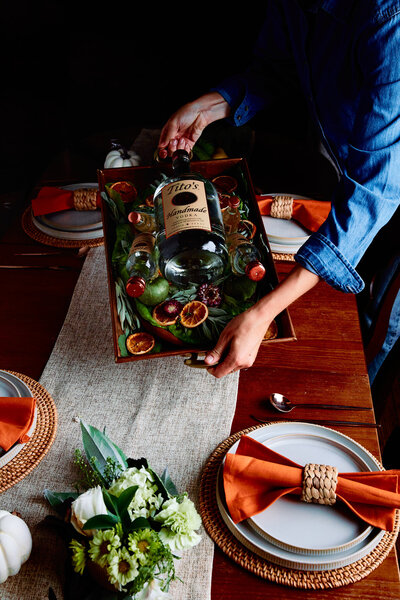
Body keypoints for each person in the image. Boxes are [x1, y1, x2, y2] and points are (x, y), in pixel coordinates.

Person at [157, 0, 400, 379]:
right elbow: (275, 69)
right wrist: (208, 108)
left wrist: (263, 313)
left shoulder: (390, 22)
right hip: (350, 166)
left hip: (381, 181)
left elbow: (374, 189)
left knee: (376, 326)